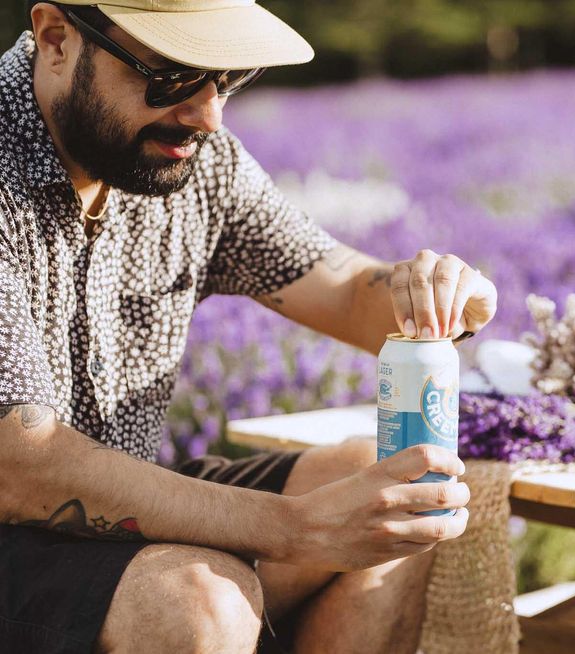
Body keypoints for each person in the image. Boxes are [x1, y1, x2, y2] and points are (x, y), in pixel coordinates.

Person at [0, 1, 498, 652]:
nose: (209, 115)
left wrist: (443, 295)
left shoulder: (195, 160)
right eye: (173, 76)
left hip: (103, 519)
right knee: (200, 605)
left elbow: (346, 292)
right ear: (58, 39)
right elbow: (21, 465)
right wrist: (292, 527)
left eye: (229, 78)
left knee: (401, 492)